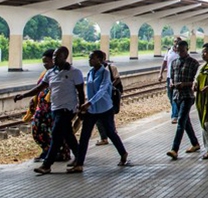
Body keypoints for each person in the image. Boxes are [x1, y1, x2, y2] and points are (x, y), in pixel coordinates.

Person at [14, 46, 85, 175]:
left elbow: (81, 92)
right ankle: (79, 161)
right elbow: (39, 88)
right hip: (55, 108)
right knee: (68, 136)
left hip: (67, 109)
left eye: (56, 56)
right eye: (53, 56)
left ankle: (47, 164)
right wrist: (23, 96)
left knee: (56, 135)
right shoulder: (51, 73)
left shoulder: (75, 72)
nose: (54, 58)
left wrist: (81, 108)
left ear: (64, 56)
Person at [70, 50, 128, 173]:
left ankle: (123, 153)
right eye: (89, 58)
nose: (89, 60)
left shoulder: (105, 73)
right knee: (84, 136)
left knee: (111, 133)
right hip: (92, 110)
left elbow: (102, 90)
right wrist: (87, 104)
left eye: (92, 58)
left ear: (100, 60)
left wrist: (89, 102)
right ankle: (79, 163)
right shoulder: (90, 72)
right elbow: (90, 90)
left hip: (105, 109)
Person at [16, 49, 70, 163]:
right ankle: (48, 151)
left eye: (47, 61)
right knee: (38, 131)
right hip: (43, 109)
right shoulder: (46, 73)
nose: (45, 64)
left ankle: (59, 154)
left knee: (56, 133)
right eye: (43, 62)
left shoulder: (62, 73)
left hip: (54, 109)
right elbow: (39, 88)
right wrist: (26, 97)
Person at [167, 40, 201, 159]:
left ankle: (174, 149)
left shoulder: (194, 63)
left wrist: (184, 84)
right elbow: (171, 77)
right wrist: (172, 84)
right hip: (176, 95)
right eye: (178, 50)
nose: (180, 52)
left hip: (188, 96)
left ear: (187, 49)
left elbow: (196, 82)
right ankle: (195, 143)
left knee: (181, 121)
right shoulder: (174, 62)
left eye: (182, 50)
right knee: (186, 122)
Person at [94, 56, 122, 146]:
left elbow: (117, 79)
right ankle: (110, 135)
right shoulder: (94, 70)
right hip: (100, 97)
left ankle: (106, 137)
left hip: (109, 96)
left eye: (93, 58)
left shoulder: (110, 68)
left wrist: (108, 87)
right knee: (104, 118)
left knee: (104, 117)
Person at [158, 37, 182, 124]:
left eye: (178, 41)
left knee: (175, 97)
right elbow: (164, 62)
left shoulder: (181, 52)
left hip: (177, 78)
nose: (176, 43)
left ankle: (175, 116)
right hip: (169, 77)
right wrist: (160, 73)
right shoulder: (169, 51)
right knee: (170, 95)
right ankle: (178, 111)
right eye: (175, 41)